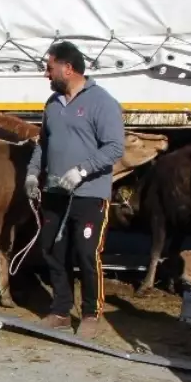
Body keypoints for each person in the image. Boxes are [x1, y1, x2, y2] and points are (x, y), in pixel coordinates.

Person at [26, 41, 125, 339]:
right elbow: (44, 143)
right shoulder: (52, 105)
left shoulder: (101, 102)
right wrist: (33, 174)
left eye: (50, 67)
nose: (47, 74)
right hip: (56, 192)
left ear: (67, 69)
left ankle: (91, 313)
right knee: (53, 251)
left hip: (89, 194)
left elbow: (115, 148)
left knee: (85, 253)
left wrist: (82, 171)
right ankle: (60, 311)